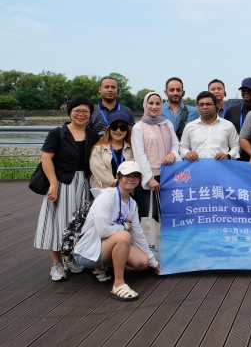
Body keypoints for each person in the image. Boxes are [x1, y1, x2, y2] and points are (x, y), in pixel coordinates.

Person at [73, 161, 160, 301]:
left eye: (135, 176)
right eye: (127, 176)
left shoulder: (132, 204)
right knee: (124, 236)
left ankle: (104, 267)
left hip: (106, 247)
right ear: (118, 177)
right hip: (88, 251)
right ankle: (118, 284)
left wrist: (154, 263)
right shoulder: (106, 197)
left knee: (143, 262)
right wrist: (125, 226)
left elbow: (138, 234)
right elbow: (103, 231)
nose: (131, 179)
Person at [34, 96, 99, 281]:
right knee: (57, 223)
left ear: (90, 114)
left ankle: (69, 258)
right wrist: (53, 183)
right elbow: (46, 158)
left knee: (79, 223)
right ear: (70, 112)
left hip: (84, 184)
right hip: (62, 184)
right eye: (77, 111)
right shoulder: (58, 133)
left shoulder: (92, 134)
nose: (81, 114)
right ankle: (56, 263)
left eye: (85, 111)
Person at [132, 92, 181, 218]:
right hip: (149, 177)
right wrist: (150, 179)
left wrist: (173, 153)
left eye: (158, 103)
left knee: (169, 213)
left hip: (168, 175)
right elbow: (139, 155)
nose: (154, 106)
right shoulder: (138, 127)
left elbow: (176, 144)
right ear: (145, 105)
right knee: (150, 214)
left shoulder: (167, 124)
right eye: (151, 103)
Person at [180, 91, 241, 161]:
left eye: (208, 104)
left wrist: (228, 155)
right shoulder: (190, 126)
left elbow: (236, 146)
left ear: (215, 105)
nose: (204, 107)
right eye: (201, 104)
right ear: (197, 107)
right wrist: (188, 153)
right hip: (197, 166)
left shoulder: (228, 125)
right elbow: (183, 147)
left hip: (221, 166)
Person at [90, 112, 135, 189]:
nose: (118, 130)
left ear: (127, 130)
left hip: (126, 190)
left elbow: (132, 168)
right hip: (103, 190)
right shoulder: (98, 148)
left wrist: (122, 183)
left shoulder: (132, 149)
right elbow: (97, 168)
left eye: (123, 127)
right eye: (114, 127)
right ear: (109, 129)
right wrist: (114, 182)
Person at [225, 77, 251, 161]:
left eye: (250, 90)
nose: (246, 92)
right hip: (235, 156)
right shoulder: (231, 111)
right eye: (243, 90)